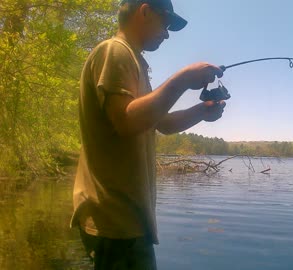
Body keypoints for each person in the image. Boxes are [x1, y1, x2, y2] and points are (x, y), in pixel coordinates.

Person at [70, 0, 225, 269]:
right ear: (144, 11)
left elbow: (159, 123)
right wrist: (181, 80)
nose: (166, 34)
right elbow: (127, 122)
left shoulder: (135, 61)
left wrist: (201, 111)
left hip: (127, 220)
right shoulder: (114, 51)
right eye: (166, 24)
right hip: (114, 220)